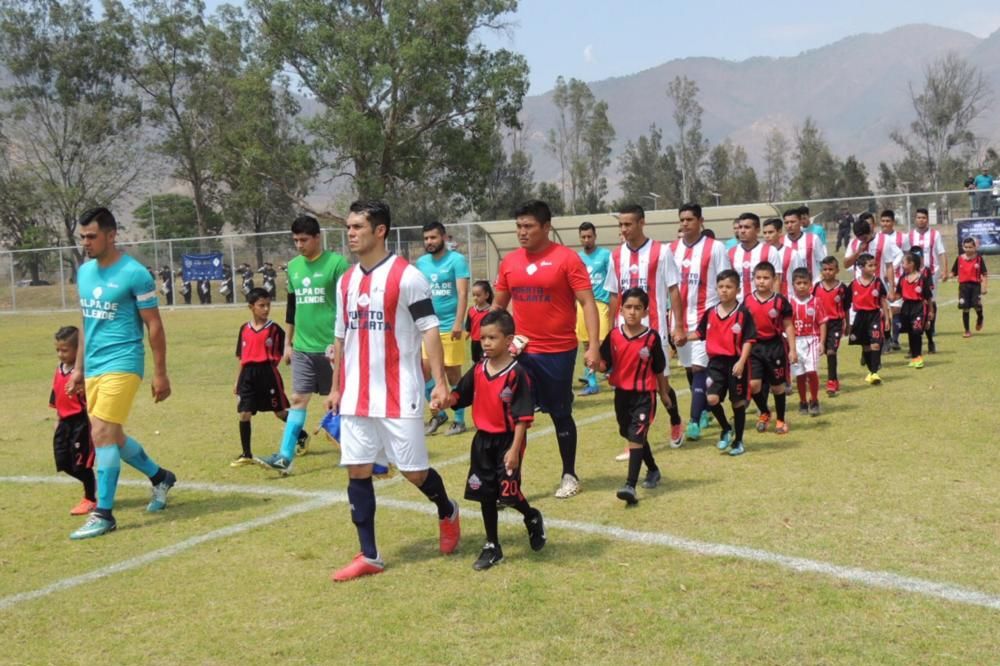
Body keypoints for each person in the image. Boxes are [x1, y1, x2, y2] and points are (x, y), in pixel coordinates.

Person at [325, 199, 461, 582]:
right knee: (357, 470)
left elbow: (429, 330)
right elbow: (341, 336)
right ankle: (369, 554)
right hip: (355, 395)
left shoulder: (407, 277)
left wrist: (440, 382)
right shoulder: (346, 281)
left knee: (414, 472)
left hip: (399, 392)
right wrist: (335, 388)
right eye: (349, 227)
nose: (351, 233)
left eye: (358, 227)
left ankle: (447, 509)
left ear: (380, 230)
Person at [65, 207, 176, 540]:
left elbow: (154, 325)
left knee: (100, 433)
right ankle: (160, 477)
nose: (86, 242)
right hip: (95, 366)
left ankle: (104, 514)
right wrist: (79, 368)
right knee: (113, 436)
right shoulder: (85, 272)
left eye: (92, 236)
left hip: (124, 363)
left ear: (111, 235)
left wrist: (160, 373)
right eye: (82, 237)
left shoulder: (135, 273)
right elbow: (87, 322)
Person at [493, 199, 601, 499]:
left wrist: (593, 346)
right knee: (514, 417)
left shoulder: (566, 259)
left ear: (546, 227)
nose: (522, 232)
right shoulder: (510, 262)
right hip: (520, 354)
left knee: (560, 413)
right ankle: (509, 484)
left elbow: (587, 302)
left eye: (528, 226)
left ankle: (569, 475)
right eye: (518, 226)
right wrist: (489, 342)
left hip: (558, 353)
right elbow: (498, 308)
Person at [440, 309, 546, 570]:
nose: (486, 343)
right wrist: (445, 400)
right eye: (483, 338)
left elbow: (522, 417)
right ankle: (492, 545)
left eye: (492, 338)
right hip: (482, 441)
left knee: (508, 495)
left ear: (508, 340)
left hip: (509, 441)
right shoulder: (478, 369)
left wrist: (514, 450)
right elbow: (460, 395)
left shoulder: (517, 374)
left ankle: (531, 516)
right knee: (485, 493)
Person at [257, 216, 347, 474]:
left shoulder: (337, 264)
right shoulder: (294, 267)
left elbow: (347, 305)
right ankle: (285, 456)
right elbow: (292, 307)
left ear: (317, 237)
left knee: (342, 401)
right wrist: (288, 343)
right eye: (295, 240)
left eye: (304, 240)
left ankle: (355, 451)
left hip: (332, 347)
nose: (299, 245)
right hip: (303, 348)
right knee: (298, 399)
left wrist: (344, 342)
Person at [603, 204, 685, 452]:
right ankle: (634, 440)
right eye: (621, 225)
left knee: (661, 386)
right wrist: (610, 330)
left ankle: (675, 421)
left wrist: (678, 325)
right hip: (624, 335)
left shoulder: (661, 251)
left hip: (654, 330)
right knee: (627, 386)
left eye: (628, 224)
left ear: (641, 223)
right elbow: (614, 295)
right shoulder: (616, 256)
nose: (624, 229)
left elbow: (673, 289)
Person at [668, 203, 732, 442]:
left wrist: (723, 314)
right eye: (682, 219)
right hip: (679, 320)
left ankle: (694, 421)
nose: (685, 223)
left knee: (698, 367)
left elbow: (725, 281)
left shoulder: (715, 248)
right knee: (689, 367)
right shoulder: (671, 249)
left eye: (690, 219)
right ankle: (704, 408)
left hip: (706, 318)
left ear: (700, 221)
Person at [598, 288, 668, 504]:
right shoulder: (614, 336)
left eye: (638, 308)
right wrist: (594, 363)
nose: (632, 312)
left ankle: (630, 485)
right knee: (628, 433)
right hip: (621, 394)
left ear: (645, 312)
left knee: (636, 436)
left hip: (644, 396)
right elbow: (604, 364)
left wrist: (664, 393)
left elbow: (659, 368)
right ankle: (653, 469)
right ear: (621, 310)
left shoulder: (651, 338)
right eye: (628, 307)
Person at [417, 221, 471, 436]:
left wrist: (459, 322)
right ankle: (439, 413)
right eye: (426, 238)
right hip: (428, 327)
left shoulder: (457, 260)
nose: (429, 242)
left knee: (452, 374)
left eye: (433, 237)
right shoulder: (421, 263)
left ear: (444, 238)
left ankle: (459, 420)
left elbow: (463, 293)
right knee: (423, 371)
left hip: (450, 326)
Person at [697, 270, 756, 456]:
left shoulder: (743, 313)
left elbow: (749, 340)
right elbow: (699, 333)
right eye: (721, 287)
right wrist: (682, 338)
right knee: (712, 399)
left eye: (729, 287)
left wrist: (742, 361)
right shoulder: (710, 312)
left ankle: (738, 441)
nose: (724, 290)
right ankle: (725, 428)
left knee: (737, 403)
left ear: (737, 290)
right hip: (715, 363)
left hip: (736, 363)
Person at [231, 288, 292, 466]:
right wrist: (237, 381)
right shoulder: (244, 329)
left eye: (268, 305)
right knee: (244, 413)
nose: (266, 309)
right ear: (251, 307)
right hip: (247, 375)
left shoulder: (274, 329)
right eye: (261, 305)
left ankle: (301, 436)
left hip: (268, 374)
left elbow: (288, 349)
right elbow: (241, 357)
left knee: (280, 412)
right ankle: (246, 454)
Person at [744, 262, 797, 435]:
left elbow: (788, 325)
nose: (761, 281)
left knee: (777, 387)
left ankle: (780, 419)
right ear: (753, 279)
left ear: (774, 280)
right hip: (754, 347)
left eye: (766, 278)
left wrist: (792, 349)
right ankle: (765, 412)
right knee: (753, 385)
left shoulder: (780, 301)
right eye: (758, 277)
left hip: (775, 347)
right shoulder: (747, 301)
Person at [50, 326, 96, 516]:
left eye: (65, 350)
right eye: (58, 350)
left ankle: (90, 498)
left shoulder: (83, 374)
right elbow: (56, 394)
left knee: (80, 463)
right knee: (63, 461)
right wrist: (57, 418)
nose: (60, 354)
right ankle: (94, 486)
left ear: (78, 350)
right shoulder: (59, 369)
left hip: (80, 423)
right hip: (64, 423)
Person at [575, 221, 612, 397]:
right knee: (586, 344)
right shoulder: (577, 258)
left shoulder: (605, 255)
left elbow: (613, 279)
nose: (586, 240)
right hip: (582, 305)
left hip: (600, 303)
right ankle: (592, 383)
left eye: (589, 236)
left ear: (595, 236)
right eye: (583, 237)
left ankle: (611, 372)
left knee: (602, 342)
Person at [907, 208, 947, 354]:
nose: (921, 220)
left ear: (927, 219)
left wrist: (944, 270)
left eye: (923, 217)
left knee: (930, 300)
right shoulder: (910, 235)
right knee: (912, 303)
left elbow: (941, 252)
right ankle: (914, 344)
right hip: (913, 275)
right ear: (915, 219)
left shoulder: (935, 234)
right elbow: (905, 255)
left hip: (931, 273)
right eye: (918, 217)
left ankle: (931, 327)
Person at [789, 268, 827, 416]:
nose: (802, 286)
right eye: (798, 283)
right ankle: (803, 401)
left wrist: (822, 342)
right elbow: (787, 325)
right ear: (793, 284)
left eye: (805, 283)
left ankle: (814, 400)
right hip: (796, 341)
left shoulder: (816, 301)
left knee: (811, 371)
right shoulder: (790, 303)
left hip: (812, 339)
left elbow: (822, 322)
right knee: (800, 374)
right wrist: (790, 346)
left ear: (810, 284)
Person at [848, 254, 889, 385]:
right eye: (870, 265)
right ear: (861, 267)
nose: (873, 268)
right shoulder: (854, 284)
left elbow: (883, 301)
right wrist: (846, 321)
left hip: (875, 315)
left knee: (876, 344)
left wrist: (887, 318)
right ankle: (871, 371)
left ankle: (875, 372)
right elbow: (846, 304)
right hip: (860, 317)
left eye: (874, 265)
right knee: (866, 346)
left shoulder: (878, 283)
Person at [813, 256, 850, 397]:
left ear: (837, 270)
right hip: (819, 324)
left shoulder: (842, 288)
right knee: (820, 351)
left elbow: (846, 307)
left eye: (831, 269)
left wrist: (848, 323)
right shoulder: (816, 287)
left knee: (831, 351)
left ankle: (832, 381)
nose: (827, 272)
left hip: (836, 323)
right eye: (825, 269)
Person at [895, 249, 934, 369]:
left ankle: (918, 357)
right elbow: (898, 294)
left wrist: (930, 311)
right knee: (910, 332)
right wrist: (889, 298)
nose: (902, 265)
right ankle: (914, 356)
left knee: (917, 331)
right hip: (906, 307)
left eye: (904, 263)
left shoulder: (922, 279)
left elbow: (928, 297)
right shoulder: (903, 278)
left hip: (919, 307)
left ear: (912, 264)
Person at [729, 212, 782, 300]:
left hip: (762, 302)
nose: (742, 231)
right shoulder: (731, 252)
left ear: (757, 230)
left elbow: (776, 280)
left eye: (747, 227)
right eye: (740, 227)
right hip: (738, 303)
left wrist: (775, 303)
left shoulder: (770, 251)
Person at [951, 236, 988, 337]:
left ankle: (980, 318)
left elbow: (984, 274)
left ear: (975, 247)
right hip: (963, 287)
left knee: (977, 305)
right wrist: (949, 275)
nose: (968, 249)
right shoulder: (959, 259)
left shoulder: (979, 259)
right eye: (966, 247)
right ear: (963, 247)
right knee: (965, 308)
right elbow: (953, 272)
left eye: (970, 247)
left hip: (975, 286)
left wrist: (984, 287)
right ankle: (967, 330)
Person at [783, 207, 827, 285]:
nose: (789, 225)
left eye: (792, 222)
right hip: (789, 287)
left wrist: (821, 278)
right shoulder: (781, 242)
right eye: (786, 222)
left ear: (800, 222)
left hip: (812, 285)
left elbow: (822, 261)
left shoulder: (813, 239)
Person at [762, 217, 803, 298]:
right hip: (764, 299)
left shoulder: (792, 254)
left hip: (788, 297)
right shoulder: (759, 252)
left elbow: (800, 277)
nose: (767, 236)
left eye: (770, 232)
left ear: (779, 232)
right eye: (765, 233)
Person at [465, 280, 493, 363]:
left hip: (487, 342)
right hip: (474, 343)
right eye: (473, 295)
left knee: (487, 362)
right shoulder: (471, 310)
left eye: (478, 295)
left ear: (486, 295)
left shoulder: (491, 311)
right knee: (476, 363)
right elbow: (468, 329)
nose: (475, 298)